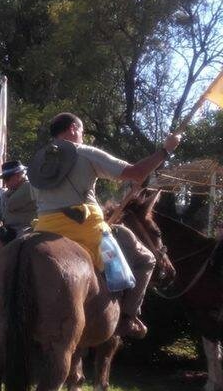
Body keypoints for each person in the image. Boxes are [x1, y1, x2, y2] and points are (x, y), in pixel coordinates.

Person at [29, 112, 182, 339]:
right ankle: (128, 317)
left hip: (44, 227)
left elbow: (38, 200)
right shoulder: (84, 152)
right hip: (85, 229)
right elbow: (136, 173)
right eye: (81, 131)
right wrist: (166, 150)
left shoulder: (37, 162)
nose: (81, 136)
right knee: (146, 259)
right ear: (73, 128)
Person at [0, 160, 37, 242]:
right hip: (9, 231)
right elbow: (1, 213)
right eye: (4, 179)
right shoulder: (7, 193)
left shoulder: (29, 187)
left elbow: (10, 205)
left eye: (7, 179)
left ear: (18, 175)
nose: (5, 183)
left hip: (25, 229)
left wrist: (4, 195)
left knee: (18, 244)